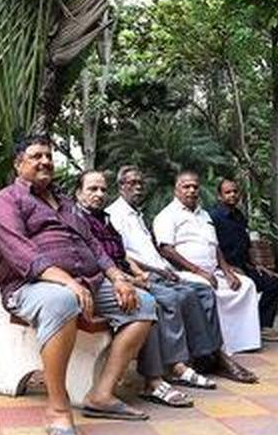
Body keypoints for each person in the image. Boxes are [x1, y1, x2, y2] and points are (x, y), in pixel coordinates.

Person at [0, 135, 157, 435]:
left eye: (48, 156)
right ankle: (58, 409)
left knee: (143, 304)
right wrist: (68, 282)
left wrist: (119, 278)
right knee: (63, 300)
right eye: (36, 156)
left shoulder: (66, 204)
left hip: (88, 282)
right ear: (18, 164)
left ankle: (101, 394)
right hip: (29, 287)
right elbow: (22, 254)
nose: (45, 161)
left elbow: (94, 246)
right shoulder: (7, 201)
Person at [106, 166, 259, 382]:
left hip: (164, 271)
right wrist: (158, 270)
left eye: (141, 183)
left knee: (204, 292)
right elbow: (124, 255)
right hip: (147, 275)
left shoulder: (137, 214)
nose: (138, 187)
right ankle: (199, 360)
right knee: (181, 296)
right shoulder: (115, 215)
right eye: (132, 183)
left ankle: (209, 355)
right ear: (121, 186)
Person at [75, 170, 204, 406]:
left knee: (174, 295)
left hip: (126, 277)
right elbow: (96, 261)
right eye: (92, 189)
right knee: (149, 301)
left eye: (103, 189)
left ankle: (176, 366)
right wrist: (130, 280)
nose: (99, 194)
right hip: (104, 281)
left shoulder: (104, 219)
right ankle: (156, 378)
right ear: (78, 193)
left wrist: (138, 273)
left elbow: (122, 254)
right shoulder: (78, 221)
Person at [152, 171, 263, 353]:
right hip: (185, 274)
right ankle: (215, 349)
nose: (191, 190)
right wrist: (198, 271)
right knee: (206, 288)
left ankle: (241, 343)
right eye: (186, 187)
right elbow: (166, 250)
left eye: (195, 187)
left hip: (214, 271)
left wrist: (227, 272)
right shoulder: (167, 216)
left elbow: (215, 247)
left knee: (246, 285)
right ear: (176, 190)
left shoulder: (204, 215)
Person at [209, 178, 278, 342]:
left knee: (273, 283)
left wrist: (256, 264)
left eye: (235, 191)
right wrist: (227, 268)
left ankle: (262, 326)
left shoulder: (239, 215)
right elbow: (213, 246)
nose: (232, 195)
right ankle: (246, 329)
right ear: (220, 196)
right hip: (226, 269)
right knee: (246, 286)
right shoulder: (214, 217)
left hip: (244, 266)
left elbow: (246, 243)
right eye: (228, 192)